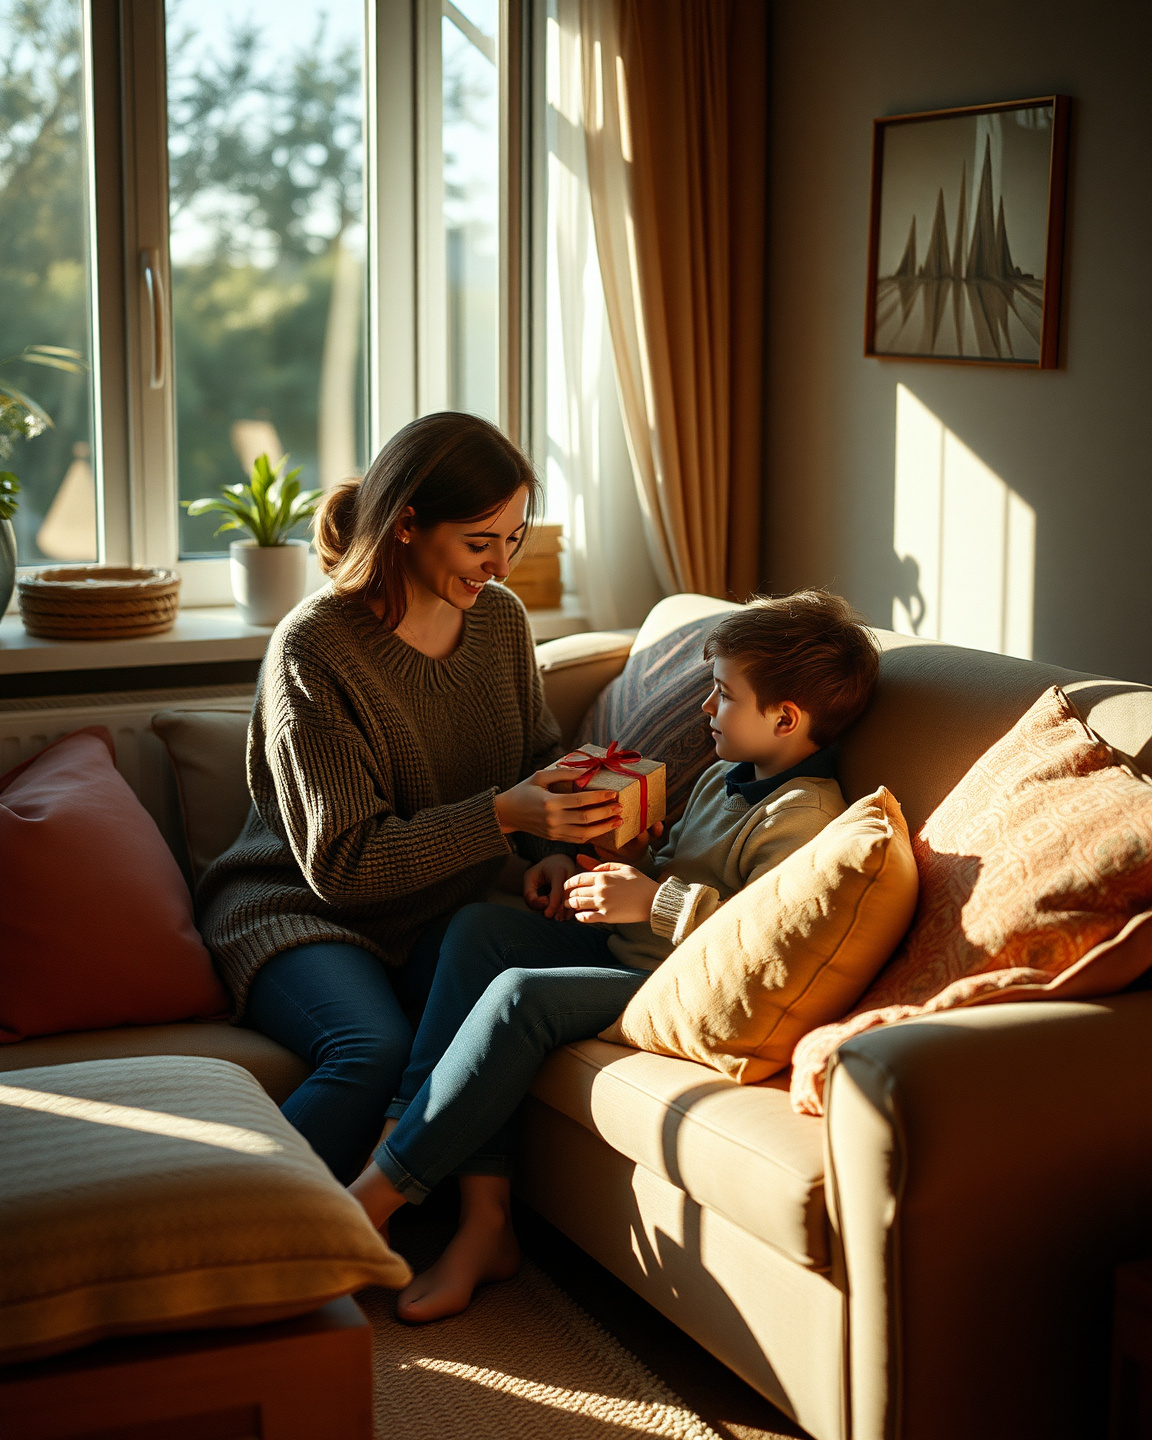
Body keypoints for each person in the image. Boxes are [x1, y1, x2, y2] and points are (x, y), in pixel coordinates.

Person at [349, 589, 881, 1320]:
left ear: (785, 718)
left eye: (724, 696)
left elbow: (758, 939)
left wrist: (650, 901)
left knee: (519, 995)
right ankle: (475, 1207)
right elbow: (674, 866)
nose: (706, 710)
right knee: (479, 929)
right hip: (633, 951)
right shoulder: (731, 780)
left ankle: (371, 1199)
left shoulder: (804, 814)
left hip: (667, 984)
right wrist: (625, 858)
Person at [197, 413, 625, 1187]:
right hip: (301, 910)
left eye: (513, 539)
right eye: (478, 541)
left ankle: (454, 1224)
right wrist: (503, 816)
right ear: (405, 526)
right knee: (373, 1050)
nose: (499, 564)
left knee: (490, 1018)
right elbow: (345, 865)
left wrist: (553, 849)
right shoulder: (313, 647)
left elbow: (532, 758)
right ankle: (224, 1233)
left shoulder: (501, 622)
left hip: (431, 913)